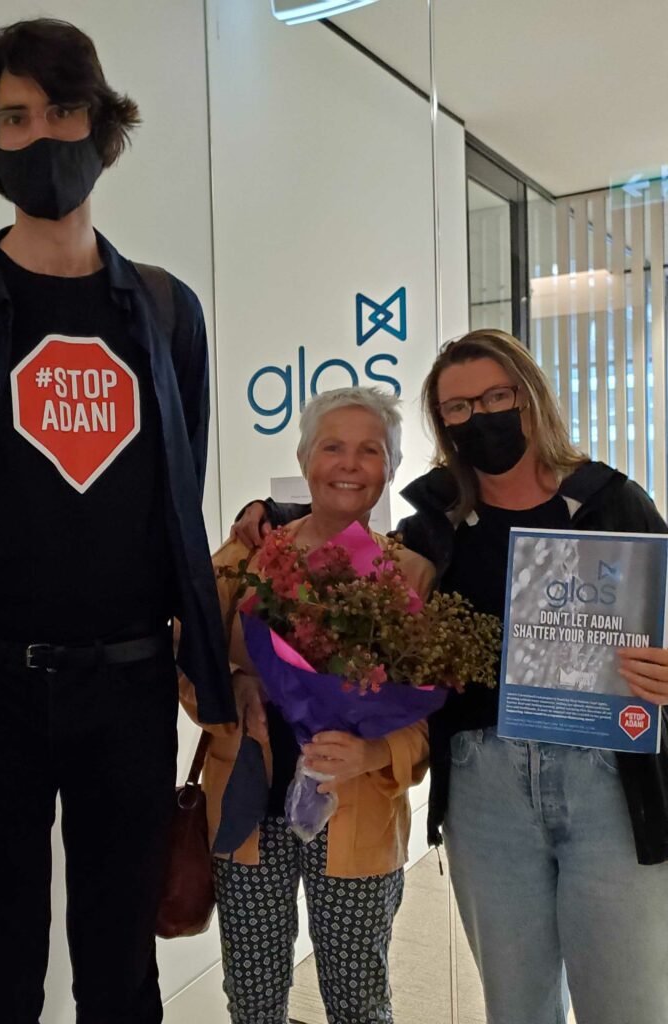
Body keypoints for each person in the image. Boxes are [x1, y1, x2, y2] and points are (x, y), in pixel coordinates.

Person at [0, 18, 234, 1024]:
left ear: (103, 122)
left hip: (125, 690)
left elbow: (177, 484)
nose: (42, 138)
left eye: (61, 109)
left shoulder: (164, 312)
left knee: (122, 969)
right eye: (15, 117)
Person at [234, 330, 668, 1024]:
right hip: (486, 787)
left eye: (497, 397)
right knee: (517, 1004)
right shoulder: (437, 525)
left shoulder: (611, 502)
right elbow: (347, 531)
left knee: (627, 1004)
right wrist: (266, 515)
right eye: (459, 408)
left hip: (607, 784)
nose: (480, 418)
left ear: (531, 397)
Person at [182, 387, 431, 1024]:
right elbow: (186, 659)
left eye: (369, 450)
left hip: (359, 813)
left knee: (357, 1001)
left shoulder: (407, 574)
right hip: (248, 811)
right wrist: (230, 686)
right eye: (333, 447)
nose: (349, 464)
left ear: (389, 469)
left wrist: (374, 748)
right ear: (304, 457)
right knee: (255, 997)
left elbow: (431, 720)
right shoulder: (246, 557)